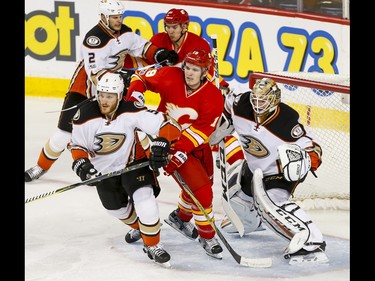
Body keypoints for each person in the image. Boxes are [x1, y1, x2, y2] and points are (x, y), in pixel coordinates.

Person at [24, 0, 178, 182]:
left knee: (134, 123)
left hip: (114, 90)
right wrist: (124, 76)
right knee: (64, 134)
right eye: (114, 17)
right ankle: (41, 167)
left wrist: (159, 53)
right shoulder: (94, 40)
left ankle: (146, 162)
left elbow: (141, 47)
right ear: (104, 17)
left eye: (119, 16)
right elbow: (96, 75)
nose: (118, 20)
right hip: (84, 89)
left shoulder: (125, 32)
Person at [209, 77, 329, 265]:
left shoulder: (287, 120)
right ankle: (250, 223)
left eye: (263, 100)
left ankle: (312, 242)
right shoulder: (242, 103)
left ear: (273, 100)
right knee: (237, 201)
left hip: (278, 172)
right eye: (255, 100)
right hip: (253, 167)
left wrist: (309, 159)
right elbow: (229, 103)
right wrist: (222, 127)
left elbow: (311, 146)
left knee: (273, 204)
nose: (257, 105)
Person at [68, 72, 182, 266]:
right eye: (102, 94)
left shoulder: (131, 110)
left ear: (119, 96)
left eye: (109, 96)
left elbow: (169, 125)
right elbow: (77, 146)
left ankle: (153, 245)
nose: (104, 100)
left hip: (133, 165)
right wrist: (83, 166)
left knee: (145, 201)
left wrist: (162, 142)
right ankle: (143, 228)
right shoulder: (85, 114)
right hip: (103, 171)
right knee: (116, 209)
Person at [125, 48, 225, 259]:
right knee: (203, 193)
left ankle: (180, 217)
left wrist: (183, 150)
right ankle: (207, 236)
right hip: (168, 143)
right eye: (187, 67)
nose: (189, 73)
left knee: (202, 184)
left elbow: (203, 131)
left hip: (197, 147)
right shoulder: (170, 75)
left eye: (195, 69)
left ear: (205, 71)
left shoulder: (214, 96)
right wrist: (134, 94)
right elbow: (140, 77)